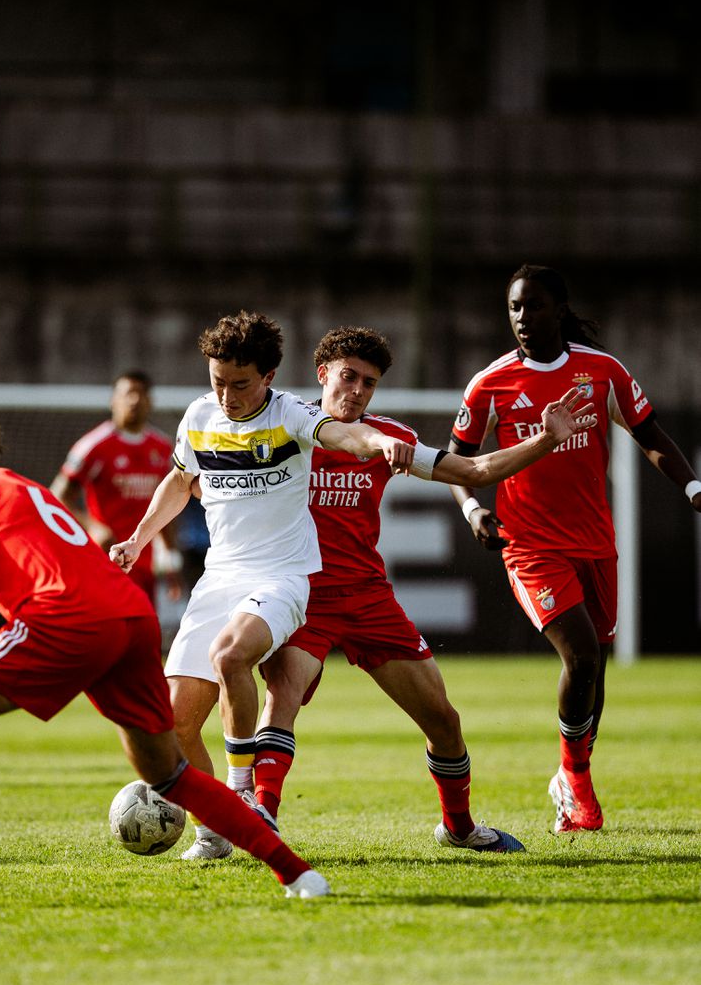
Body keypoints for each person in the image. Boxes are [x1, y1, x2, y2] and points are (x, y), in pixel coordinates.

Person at [111, 312, 591, 860]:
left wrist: (545, 441)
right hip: (301, 593)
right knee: (277, 698)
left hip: (364, 596)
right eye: (348, 376)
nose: (356, 389)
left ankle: (458, 828)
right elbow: (197, 480)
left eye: (368, 382)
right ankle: (250, 814)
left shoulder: (373, 437)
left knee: (444, 720)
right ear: (322, 373)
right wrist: (148, 533)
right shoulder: (278, 424)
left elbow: (475, 470)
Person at [0, 406, 331, 906]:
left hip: (63, 619)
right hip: (129, 614)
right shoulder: (23, 485)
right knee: (170, 774)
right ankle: (298, 875)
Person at [110, 309, 425, 859]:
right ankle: (214, 829)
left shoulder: (293, 416)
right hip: (219, 578)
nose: (227, 396)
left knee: (232, 656)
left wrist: (378, 443)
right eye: (217, 382)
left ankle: (240, 795)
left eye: (240, 384)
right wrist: (137, 541)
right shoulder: (199, 416)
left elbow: (343, 434)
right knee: (175, 723)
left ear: (269, 378)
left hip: (283, 575)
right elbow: (181, 480)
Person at [447, 264, 701, 833]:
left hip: (595, 542)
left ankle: (571, 774)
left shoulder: (602, 372)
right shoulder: (491, 383)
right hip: (531, 545)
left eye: (533, 306)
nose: (522, 318)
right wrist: (472, 509)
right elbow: (458, 461)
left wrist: (692, 486)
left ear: (559, 310)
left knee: (595, 672)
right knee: (581, 654)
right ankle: (577, 782)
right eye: (514, 307)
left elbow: (651, 433)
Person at [50, 370, 181, 604]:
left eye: (141, 394)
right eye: (128, 394)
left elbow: (168, 504)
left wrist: (170, 558)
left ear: (150, 401)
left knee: (143, 635)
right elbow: (57, 496)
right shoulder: (94, 446)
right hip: (105, 560)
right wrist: (93, 527)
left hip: (144, 563)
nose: (134, 400)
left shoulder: (161, 448)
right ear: (113, 400)